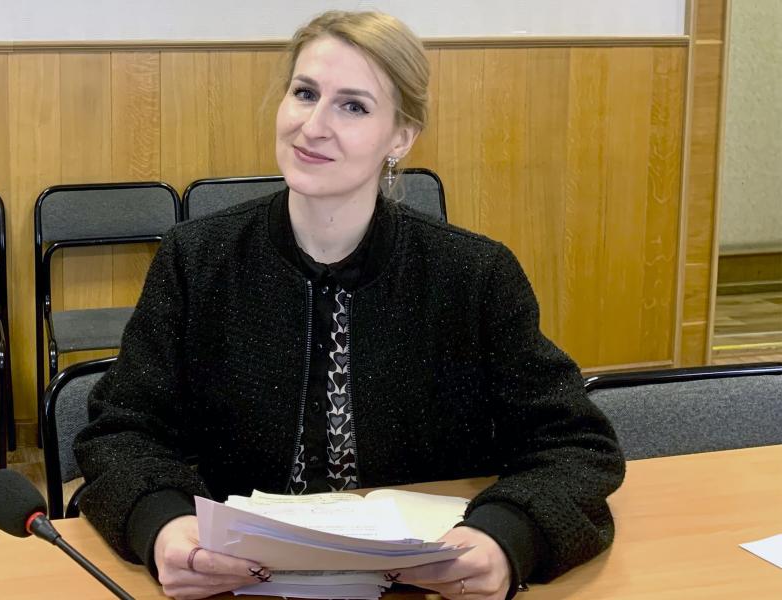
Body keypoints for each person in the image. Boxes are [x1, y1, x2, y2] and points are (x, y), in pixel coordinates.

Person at [74, 10, 624, 600]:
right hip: (235, 583)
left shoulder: (473, 276)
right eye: (304, 93)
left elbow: (574, 445)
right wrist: (163, 525)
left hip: (424, 588)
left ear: (401, 137)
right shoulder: (197, 259)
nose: (313, 126)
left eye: (353, 106)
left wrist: (505, 537)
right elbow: (121, 431)